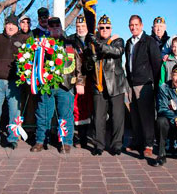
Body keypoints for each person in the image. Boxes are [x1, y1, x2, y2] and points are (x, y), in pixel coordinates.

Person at [30, 17, 85, 153]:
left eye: (57, 26)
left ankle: (66, 142)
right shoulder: (42, 44)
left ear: (61, 27)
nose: (55, 28)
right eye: (52, 26)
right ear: (48, 28)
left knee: (66, 115)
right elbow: (35, 63)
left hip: (66, 85)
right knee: (43, 114)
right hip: (47, 85)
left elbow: (79, 65)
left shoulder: (70, 43)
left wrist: (80, 82)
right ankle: (40, 141)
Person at [0, 14, 29, 149]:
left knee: (14, 111)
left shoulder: (24, 39)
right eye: (8, 24)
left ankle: (13, 138)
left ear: (17, 26)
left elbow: (31, 55)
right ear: (5, 25)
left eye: (13, 25)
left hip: (14, 81)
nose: (11, 27)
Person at [86, 14, 128, 156]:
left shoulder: (117, 40)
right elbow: (87, 66)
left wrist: (98, 45)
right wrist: (91, 60)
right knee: (98, 117)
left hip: (116, 84)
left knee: (117, 117)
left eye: (107, 27)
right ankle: (99, 145)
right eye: (101, 27)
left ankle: (116, 145)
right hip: (99, 84)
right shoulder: (92, 43)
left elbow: (117, 52)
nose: (104, 29)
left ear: (111, 28)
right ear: (98, 28)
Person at [125, 15, 162, 158]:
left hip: (145, 84)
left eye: (136, 25)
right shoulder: (129, 42)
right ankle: (137, 141)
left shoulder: (149, 41)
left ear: (141, 25)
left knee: (146, 116)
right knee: (134, 115)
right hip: (132, 83)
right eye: (131, 25)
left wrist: (156, 85)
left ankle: (148, 144)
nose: (133, 27)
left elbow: (156, 64)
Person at [68, 14, 94, 148]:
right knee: (78, 108)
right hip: (78, 79)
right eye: (78, 26)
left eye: (83, 26)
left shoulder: (93, 38)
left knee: (92, 108)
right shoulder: (70, 40)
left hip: (93, 79)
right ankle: (80, 137)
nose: (80, 28)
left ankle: (92, 136)